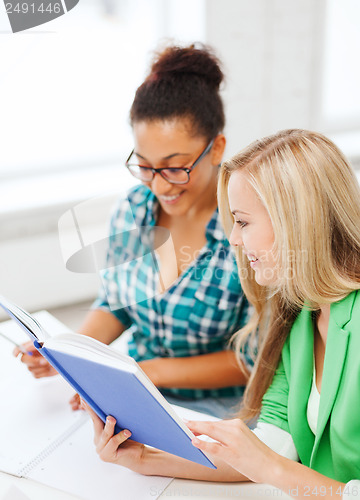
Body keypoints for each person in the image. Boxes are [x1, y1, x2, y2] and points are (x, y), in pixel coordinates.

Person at [82, 129, 360, 497]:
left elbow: (269, 462)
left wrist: (273, 468)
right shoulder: (301, 314)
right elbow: (271, 446)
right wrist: (145, 458)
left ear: (297, 221)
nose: (233, 240)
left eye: (243, 222)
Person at [14, 43, 252, 419]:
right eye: (145, 166)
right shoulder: (132, 210)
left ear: (217, 147)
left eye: (176, 168)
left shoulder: (249, 228)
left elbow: (254, 358)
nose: (159, 186)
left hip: (220, 412)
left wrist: (145, 373)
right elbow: (115, 303)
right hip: (140, 394)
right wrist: (69, 352)